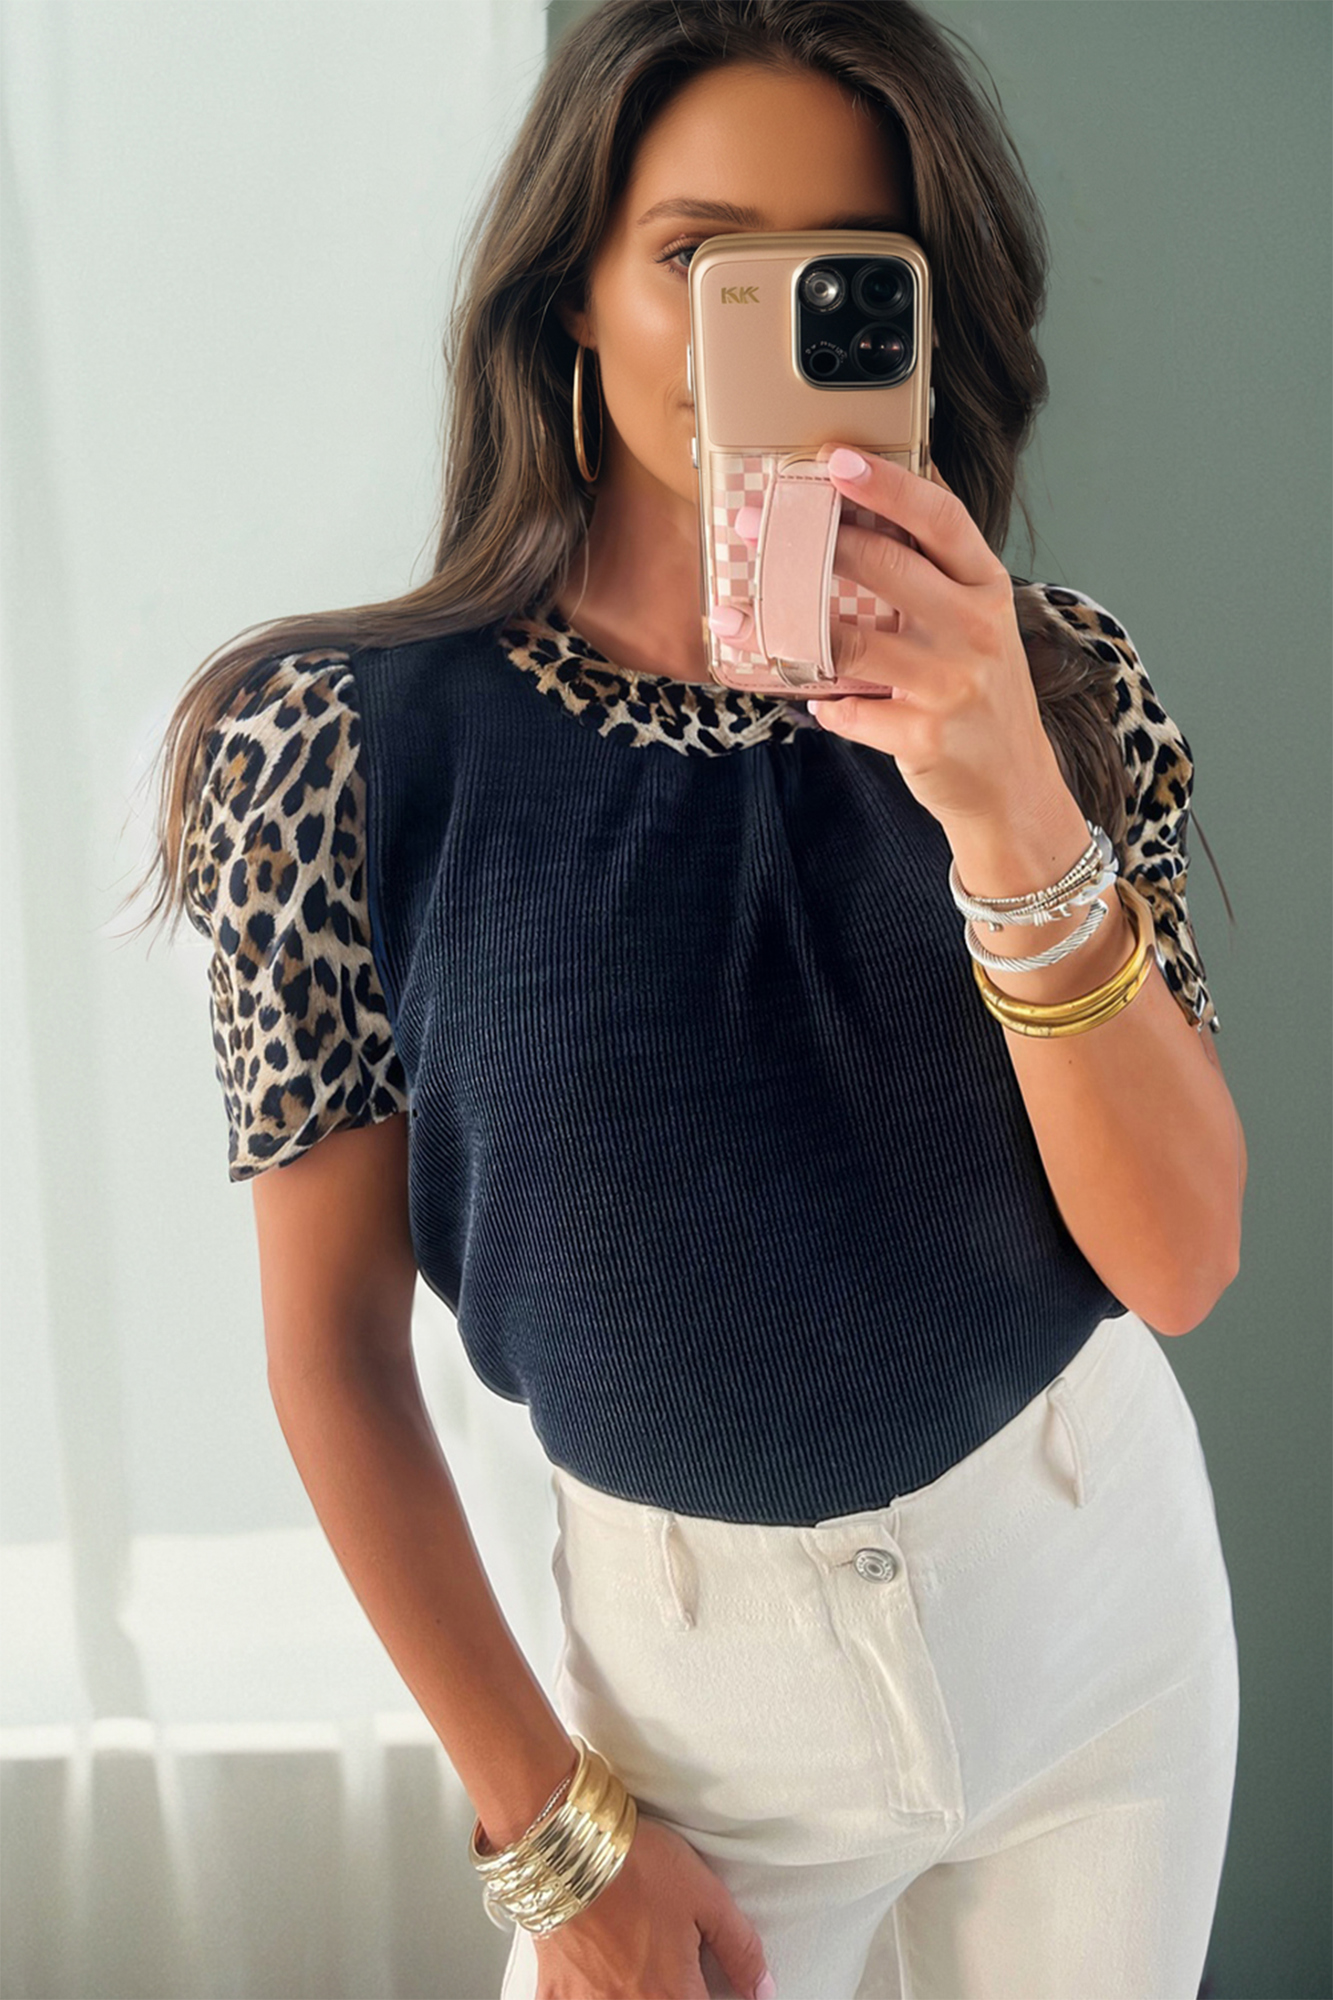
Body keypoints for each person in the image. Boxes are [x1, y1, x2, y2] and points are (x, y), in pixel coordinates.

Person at [128, 2, 1246, 1994]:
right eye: (703, 257)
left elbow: (1176, 1261)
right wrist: (551, 1842)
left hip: (1102, 1635)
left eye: (841, 272)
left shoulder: (1055, 683)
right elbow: (334, 1358)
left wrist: (1003, 793)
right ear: (571, 290)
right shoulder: (329, 750)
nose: (773, 327)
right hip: (693, 1738)